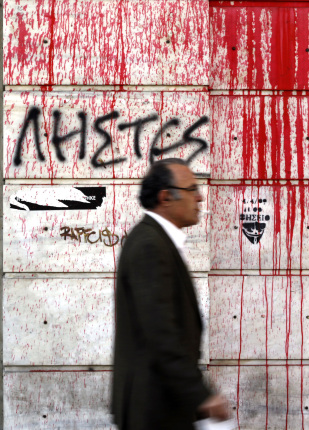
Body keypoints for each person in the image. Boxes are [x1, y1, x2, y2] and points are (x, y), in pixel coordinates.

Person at [111, 158, 228, 429]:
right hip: (153, 408)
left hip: (162, 403)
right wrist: (201, 395)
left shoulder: (156, 240)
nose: (200, 197)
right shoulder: (150, 245)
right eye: (192, 189)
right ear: (166, 197)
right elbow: (161, 333)